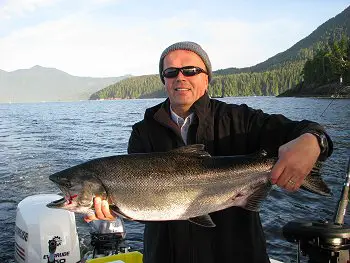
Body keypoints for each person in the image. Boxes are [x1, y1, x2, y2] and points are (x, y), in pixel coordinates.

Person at [85, 41, 333, 263]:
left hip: (238, 255)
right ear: (164, 81)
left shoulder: (240, 119)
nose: (180, 77)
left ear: (207, 78)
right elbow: (146, 209)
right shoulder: (143, 132)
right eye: (171, 72)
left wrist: (313, 141)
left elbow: (308, 130)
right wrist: (116, 210)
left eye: (190, 70)